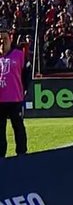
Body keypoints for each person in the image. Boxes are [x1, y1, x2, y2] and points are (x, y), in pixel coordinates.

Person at [0, 22, 29, 158]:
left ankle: (21, 153)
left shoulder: (18, 55)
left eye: (4, 39)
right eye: (0, 39)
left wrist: (24, 90)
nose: (2, 42)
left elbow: (26, 75)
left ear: (10, 39)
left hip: (15, 99)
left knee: (18, 127)